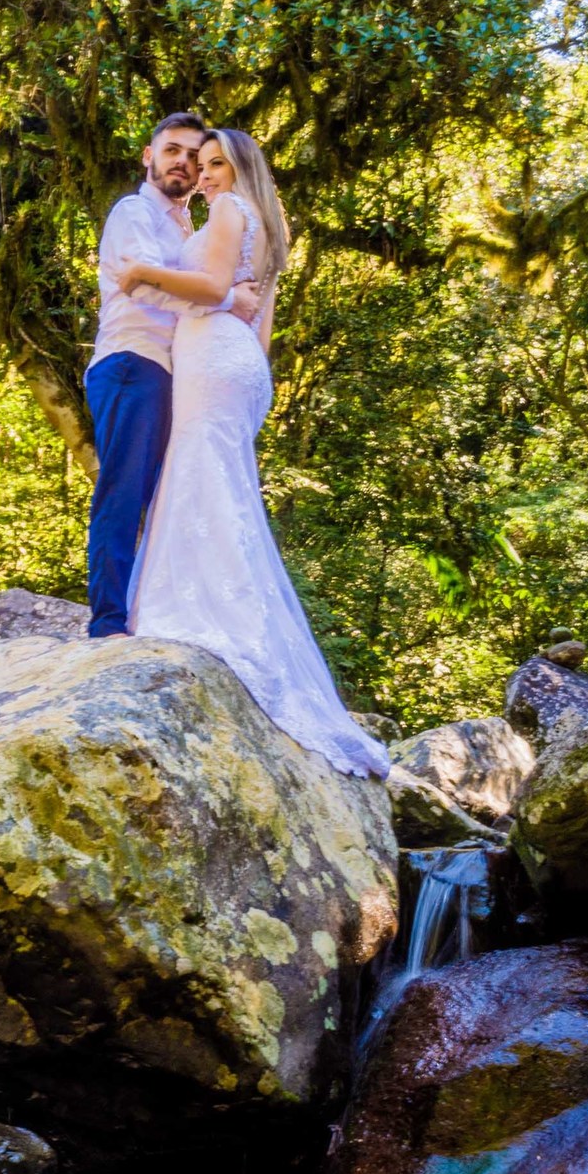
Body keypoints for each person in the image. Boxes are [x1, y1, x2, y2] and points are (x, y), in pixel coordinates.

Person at [116, 126, 389, 780]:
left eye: (217, 164)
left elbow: (211, 289)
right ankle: (228, 608)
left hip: (213, 354)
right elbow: (250, 311)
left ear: (240, 170)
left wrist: (140, 272)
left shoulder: (231, 212)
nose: (205, 174)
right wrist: (253, 371)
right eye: (201, 164)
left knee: (199, 475)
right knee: (219, 482)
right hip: (237, 362)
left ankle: (207, 615)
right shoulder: (265, 225)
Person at [84, 113, 260, 640]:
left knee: (174, 495)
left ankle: (160, 613)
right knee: (124, 491)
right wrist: (229, 300)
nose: (183, 163)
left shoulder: (194, 223)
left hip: (178, 374)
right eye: (172, 151)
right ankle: (108, 622)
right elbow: (144, 286)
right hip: (132, 361)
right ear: (148, 157)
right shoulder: (133, 212)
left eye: (194, 156)